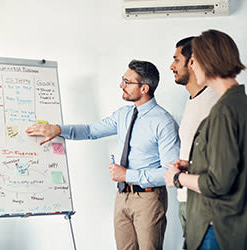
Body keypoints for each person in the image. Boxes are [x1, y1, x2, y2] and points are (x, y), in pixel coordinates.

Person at [26, 59, 180, 250]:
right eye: (122, 79)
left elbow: (170, 174)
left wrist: (127, 175)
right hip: (122, 196)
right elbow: (90, 130)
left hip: (149, 199)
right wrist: (57, 129)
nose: (121, 85)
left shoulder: (163, 122)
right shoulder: (123, 114)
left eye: (128, 82)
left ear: (144, 89)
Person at [164, 29, 247, 250]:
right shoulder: (239, 103)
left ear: (207, 61)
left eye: (194, 61)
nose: (192, 66)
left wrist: (178, 177)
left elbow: (218, 183)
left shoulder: (223, 111)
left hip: (215, 226)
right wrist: (192, 165)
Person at [170, 36, 219, 244]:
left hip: (207, 209)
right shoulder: (192, 101)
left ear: (192, 62)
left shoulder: (214, 102)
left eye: (176, 59)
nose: (171, 66)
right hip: (186, 200)